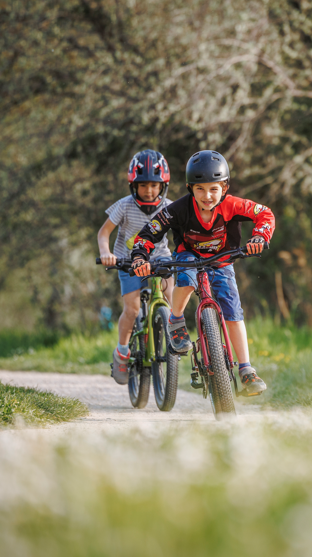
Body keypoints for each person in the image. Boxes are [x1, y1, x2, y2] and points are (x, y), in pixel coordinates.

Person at [129, 150, 274, 395]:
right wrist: (140, 256)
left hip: (222, 259)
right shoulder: (177, 210)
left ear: (224, 187)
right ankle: (176, 321)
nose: (207, 196)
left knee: (232, 309)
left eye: (214, 189)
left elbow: (264, 214)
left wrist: (259, 237)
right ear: (189, 188)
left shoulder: (233, 205)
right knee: (185, 279)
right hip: (189, 256)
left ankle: (246, 370)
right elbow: (149, 232)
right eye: (200, 189)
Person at [97, 149, 174, 385]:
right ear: (133, 185)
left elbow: (183, 234)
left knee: (171, 301)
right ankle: (122, 352)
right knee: (131, 310)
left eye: (154, 185)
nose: (149, 190)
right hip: (128, 261)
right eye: (143, 185)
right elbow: (104, 233)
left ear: (163, 185)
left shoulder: (170, 207)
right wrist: (106, 253)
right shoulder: (125, 205)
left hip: (160, 260)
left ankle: (170, 337)